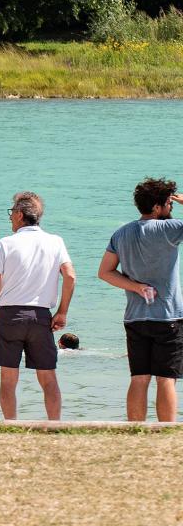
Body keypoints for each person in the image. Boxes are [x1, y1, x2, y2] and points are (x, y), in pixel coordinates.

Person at [0, 192, 75, 421]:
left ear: (20, 215)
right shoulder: (55, 241)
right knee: (48, 378)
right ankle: (54, 426)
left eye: (12, 213)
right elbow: (70, 276)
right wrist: (62, 311)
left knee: (8, 380)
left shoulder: (6, 244)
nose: (11, 217)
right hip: (41, 315)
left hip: (10, 316)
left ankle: (11, 424)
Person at [98, 178, 183, 422]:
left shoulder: (121, 233)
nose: (172, 207)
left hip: (135, 317)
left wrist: (136, 287)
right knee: (166, 378)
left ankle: (135, 430)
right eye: (169, 203)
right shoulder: (170, 229)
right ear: (157, 207)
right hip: (168, 316)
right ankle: (166, 432)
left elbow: (105, 272)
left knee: (139, 377)